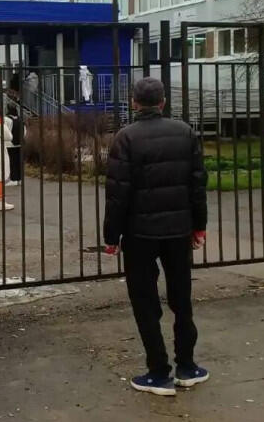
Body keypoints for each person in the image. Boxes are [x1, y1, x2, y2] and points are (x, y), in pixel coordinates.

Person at [103, 77, 209, 397]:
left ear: (135, 103)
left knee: (145, 300)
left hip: (140, 233)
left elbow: (117, 194)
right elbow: (197, 184)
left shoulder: (126, 138)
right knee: (181, 297)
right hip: (178, 230)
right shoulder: (185, 133)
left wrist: (111, 236)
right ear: (163, 102)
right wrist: (199, 225)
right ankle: (187, 366)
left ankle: (158, 371)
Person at [4, 105, 24, 186]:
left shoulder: (6, 119)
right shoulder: (20, 119)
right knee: (18, 161)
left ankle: (12, 178)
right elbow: (24, 131)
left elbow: (5, 131)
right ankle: (19, 179)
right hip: (19, 144)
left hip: (9, 144)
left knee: (11, 162)